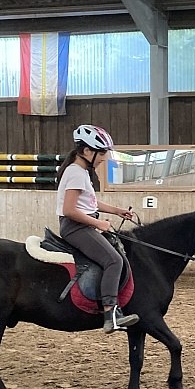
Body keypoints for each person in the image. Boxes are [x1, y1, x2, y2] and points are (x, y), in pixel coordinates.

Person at [56, 124, 139, 333]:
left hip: (82, 225)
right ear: (86, 151)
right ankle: (111, 314)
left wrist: (116, 210)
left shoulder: (81, 171)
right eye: (101, 153)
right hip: (76, 227)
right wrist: (98, 223)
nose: (104, 157)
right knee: (114, 260)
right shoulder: (76, 173)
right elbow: (69, 210)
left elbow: (90, 203)